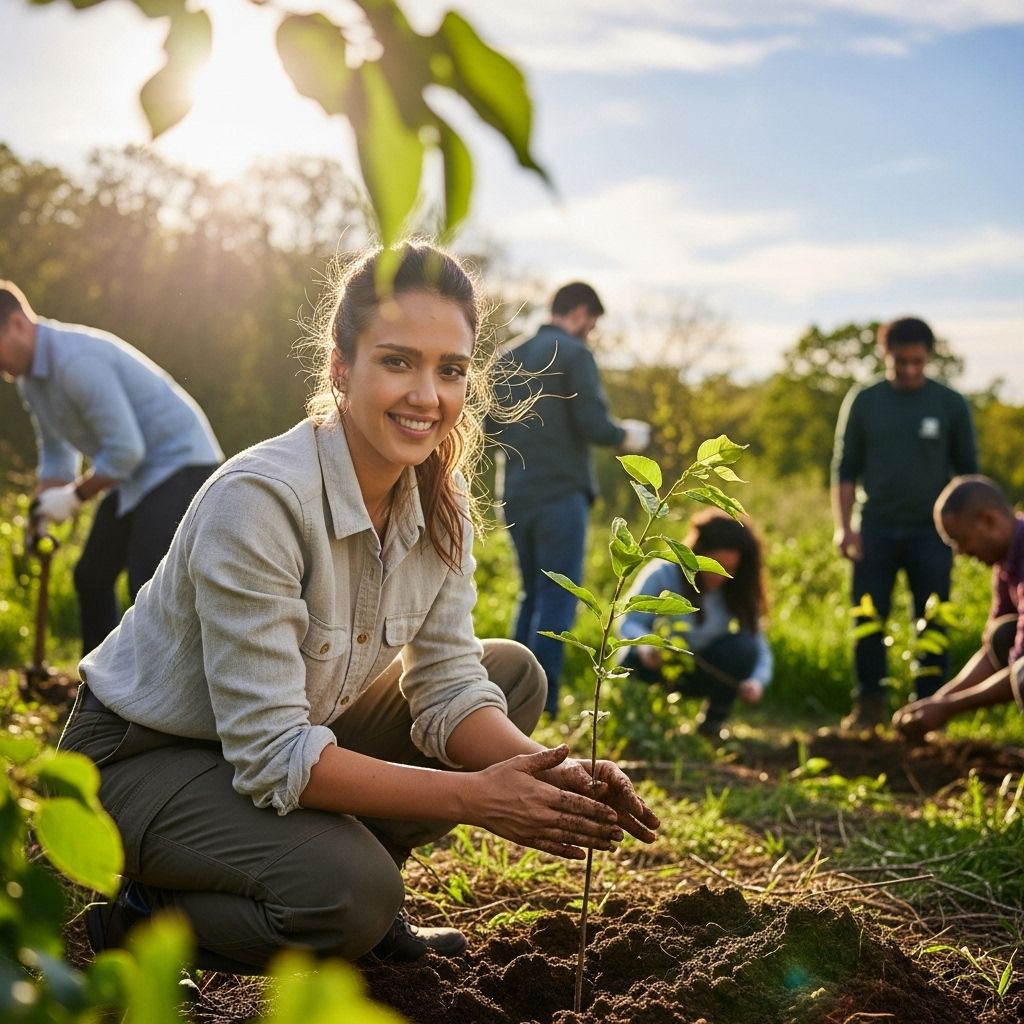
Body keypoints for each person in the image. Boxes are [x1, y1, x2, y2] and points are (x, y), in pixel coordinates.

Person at [57, 242, 659, 973]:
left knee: (512, 675)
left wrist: (548, 773)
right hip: (140, 760)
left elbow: (448, 685)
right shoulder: (261, 502)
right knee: (348, 897)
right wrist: (475, 798)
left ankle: (344, 886)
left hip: (264, 745)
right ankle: (144, 916)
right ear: (342, 367)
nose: (427, 395)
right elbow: (273, 752)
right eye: (398, 361)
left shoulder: (440, 503)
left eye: (451, 370)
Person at [0, 281, 223, 655]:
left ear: (18, 325)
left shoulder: (75, 363)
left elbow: (126, 450)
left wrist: (73, 497)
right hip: (135, 474)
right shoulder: (29, 381)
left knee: (148, 582)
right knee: (91, 575)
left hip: (180, 463)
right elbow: (57, 452)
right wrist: (42, 507)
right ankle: (101, 693)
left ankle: (163, 701)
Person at [491, 282, 650, 717]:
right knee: (558, 598)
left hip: (516, 495)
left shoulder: (509, 355)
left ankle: (505, 700)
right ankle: (543, 704)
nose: (591, 332)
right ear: (579, 312)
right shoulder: (575, 354)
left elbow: (488, 426)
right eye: (592, 323)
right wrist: (626, 435)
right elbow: (593, 423)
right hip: (561, 494)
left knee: (529, 595)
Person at [831, 316, 977, 731]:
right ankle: (869, 707)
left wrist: (961, 533)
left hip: (932, 534)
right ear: (885, 356)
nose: (910, 370)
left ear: (929, 357)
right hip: (874, 527)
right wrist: (844, 527)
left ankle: (929, 708)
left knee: (933, 618)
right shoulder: (865, 400)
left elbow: (967, 474)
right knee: (867, 617)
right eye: (900, 363)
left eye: (917, 362)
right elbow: (844, 468)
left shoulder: (950, 404)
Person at [617, 509, 771, 741]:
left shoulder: (735, 590)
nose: (722, 575)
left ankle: (712, 726)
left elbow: (759, 647)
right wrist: (646, 645)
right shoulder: (663, 573)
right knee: (633, 658)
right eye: (715, 566)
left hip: (701, 670)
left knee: (743, 648)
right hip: (657, 664)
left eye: (730, 569)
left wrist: (757, 681)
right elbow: (629, 622)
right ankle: (640, 723)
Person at [893, 476, 1023, 741]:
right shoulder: (1007, 563)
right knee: (1002, 636)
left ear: (990, 521)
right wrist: (938, 702)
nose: (959, 552)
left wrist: (949, 708)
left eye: (960, 540)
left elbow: (1019, 669)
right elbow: (994, 651)